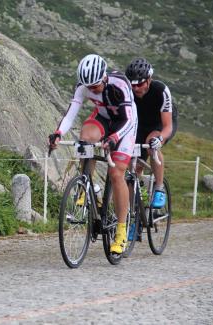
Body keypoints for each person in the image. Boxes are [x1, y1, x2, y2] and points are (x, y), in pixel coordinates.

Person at [49, 54, 138, 254]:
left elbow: (129, 119)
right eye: (88, 87)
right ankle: (86, 187)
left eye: (95, 87)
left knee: (116, 174)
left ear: (104, 77)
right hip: (103, 117)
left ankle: (122, 231)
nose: (92, 90)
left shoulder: (120, 84)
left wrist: (115, 138)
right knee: (85, 137)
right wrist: (58, 133)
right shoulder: (83, 86)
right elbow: (71, 113)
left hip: (125, 124)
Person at [125, 57, 177, 208]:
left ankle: (159, 188)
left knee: (151, 144)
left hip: (160, 123)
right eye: (132, 85)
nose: (135, 89)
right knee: (134, 167)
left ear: (149, 79)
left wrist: (160, 139)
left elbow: (167, 126)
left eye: (140, 84)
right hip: (139, 125)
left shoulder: (160, 90)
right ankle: (134, 211)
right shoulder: (127, 91)